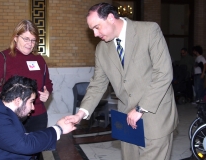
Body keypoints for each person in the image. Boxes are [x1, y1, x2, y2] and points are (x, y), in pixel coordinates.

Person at [65, 3, 178, 160]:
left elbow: (164, 73)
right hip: (127, 118)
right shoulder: (101, 49)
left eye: (97, 27)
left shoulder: (148, 31)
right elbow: (98, 84)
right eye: (92, 30)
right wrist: (80, 114)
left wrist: (140, 108)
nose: (95, 34)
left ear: (111, 18)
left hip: (155, 114)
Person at [0, 75, 76, 159]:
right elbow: (24, 144)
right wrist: (59, 129)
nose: (33, 107)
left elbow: (18, 139)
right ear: (18, 101)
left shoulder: (2, 112)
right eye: (31, 102)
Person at [0, 20, 53, 133]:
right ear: (15, 37)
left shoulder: (39, 59)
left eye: (33, 40)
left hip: (38, 116)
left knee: (35, 150)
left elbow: (48, 83)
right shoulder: (2, 58)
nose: (30, 44)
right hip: (11, 118)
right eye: (26, 39)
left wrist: (47, 92)